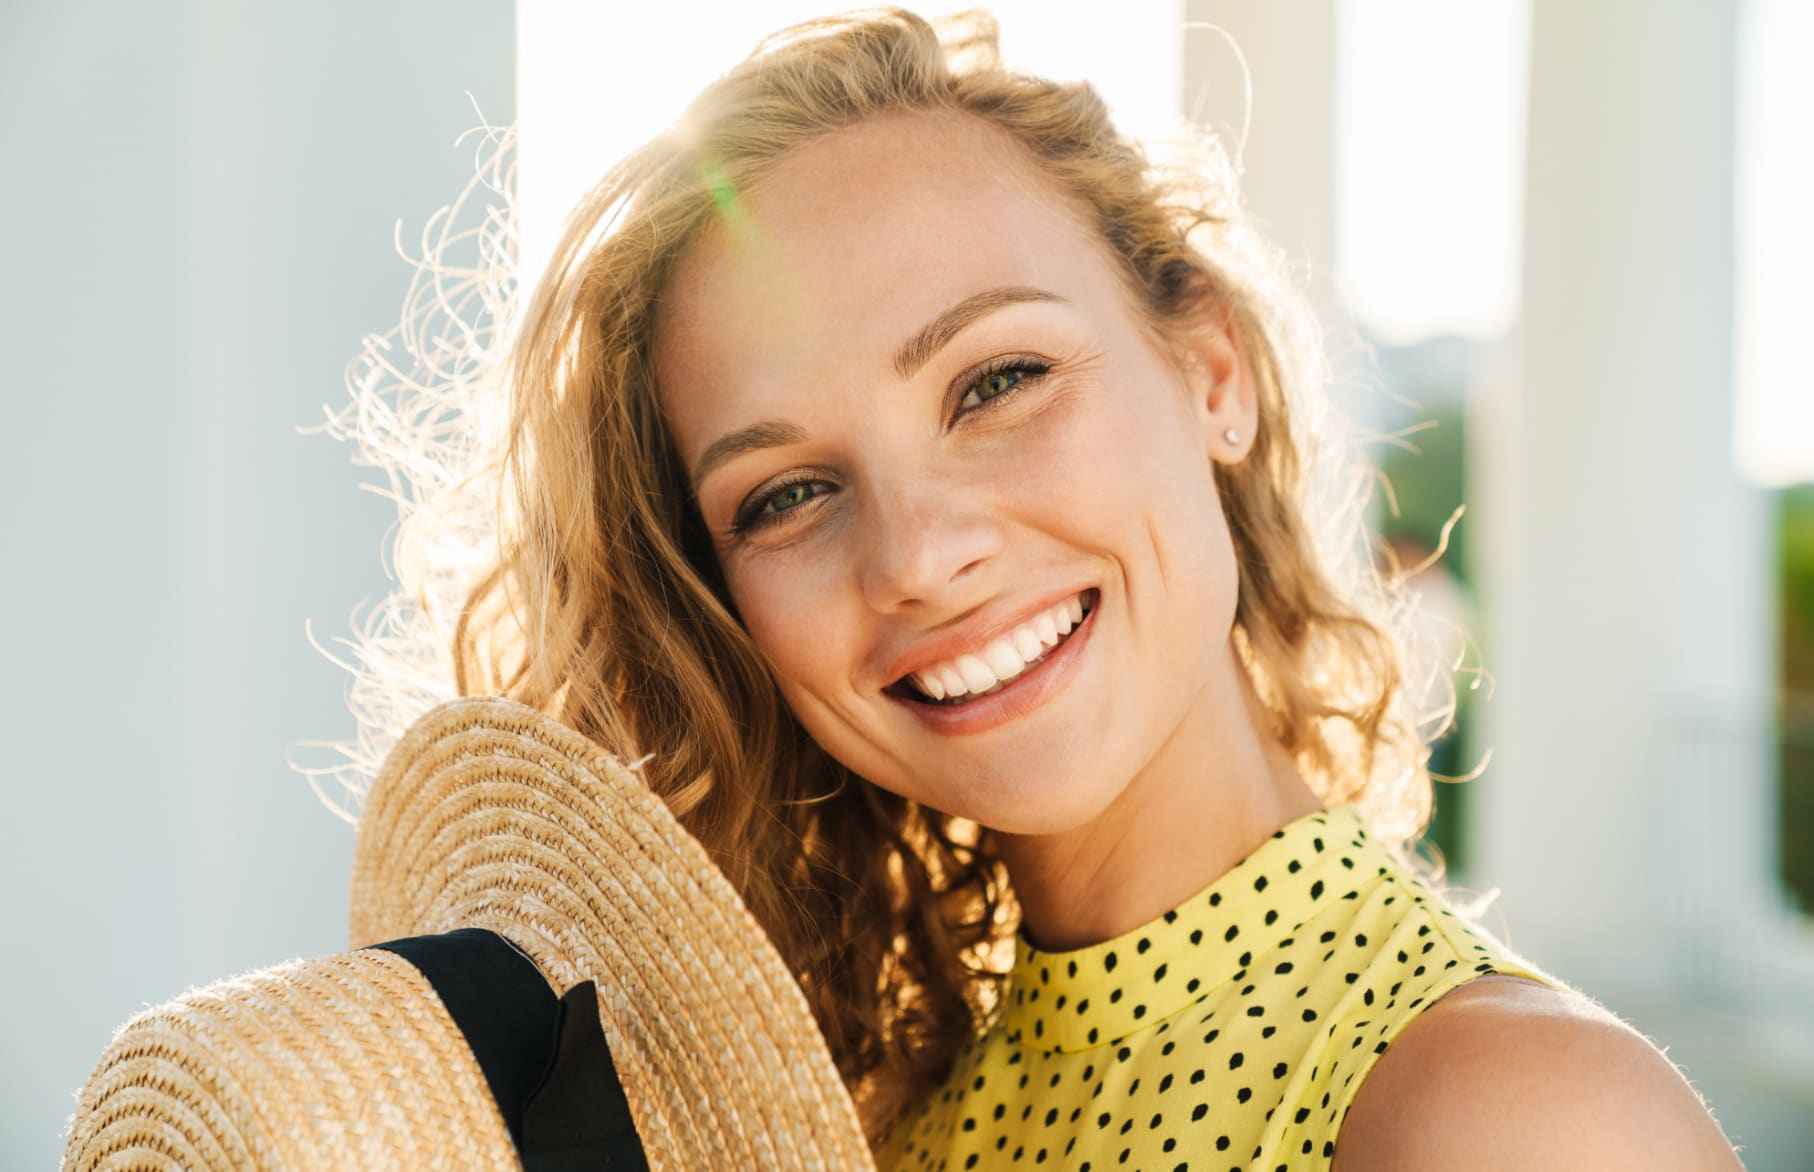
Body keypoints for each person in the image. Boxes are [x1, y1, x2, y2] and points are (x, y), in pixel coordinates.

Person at [344, 7, 1742, 1168]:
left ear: (1212, 374)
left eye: (996, 381)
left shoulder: (1515, 1117)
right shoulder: (878, 1130)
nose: (915, 554)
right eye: (784, 494)